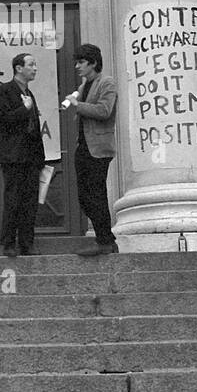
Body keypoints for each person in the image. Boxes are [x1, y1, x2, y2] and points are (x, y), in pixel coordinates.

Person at [63, 44, 119, 257]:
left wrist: (77, 104)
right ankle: (107, 240)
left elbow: (105, 110)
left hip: (98, 148)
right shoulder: (86, 83)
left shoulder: (107, 82)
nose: (77, 66)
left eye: (81, 62)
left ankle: (104, 241)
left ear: (93, 63)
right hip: (84, 146)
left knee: (95, 195)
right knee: (85, 196)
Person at [0, 52, 45, 258]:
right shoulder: (4, 91)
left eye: (35, 64)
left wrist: (40, 159)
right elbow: (3, 120)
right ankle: (8, 243)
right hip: (13, 156)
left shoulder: (30, 94)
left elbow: (34, 128)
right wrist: (24, 109)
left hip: (31, 158)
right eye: (31, 65)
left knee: (30, 202)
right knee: (13, 199)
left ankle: (27, 243)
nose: (35, 68)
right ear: (18, 68)